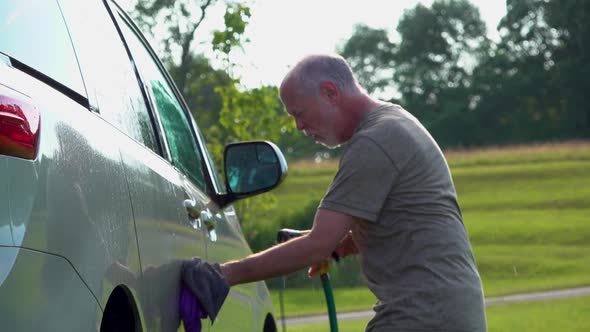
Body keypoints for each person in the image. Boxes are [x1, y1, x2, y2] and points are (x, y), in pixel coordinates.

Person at [220, 53, 487, 331]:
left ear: (330, 93)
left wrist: (224, 274)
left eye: (299, 113)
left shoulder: (375, 141)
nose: (299, 126)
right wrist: (340, 246)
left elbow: (316, 245)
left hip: (424, 315)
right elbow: (400, 222)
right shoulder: (396, 124)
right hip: (448, 309)